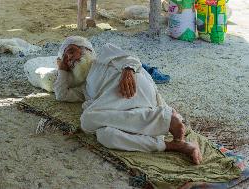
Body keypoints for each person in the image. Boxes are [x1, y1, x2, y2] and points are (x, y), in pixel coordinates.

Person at [54, 36, 202, 165]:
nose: (70, 58)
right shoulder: (84, 88)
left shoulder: (104, 54)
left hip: (131, 90)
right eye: (67, 59)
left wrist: (128, 70)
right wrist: (62, 70)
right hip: (125, 110)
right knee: (105, 136)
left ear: (86, 49)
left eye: (72, 51)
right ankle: (172, 144)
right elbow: (61, 94)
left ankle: (166, 118)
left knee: (87, 120)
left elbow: (131, 58)